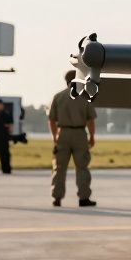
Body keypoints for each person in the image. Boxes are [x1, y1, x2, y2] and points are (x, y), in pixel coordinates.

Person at [49, 70, 97, 207]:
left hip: (63, 132)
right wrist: (92, 136)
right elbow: (90, 120)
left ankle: (57, 198)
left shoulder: (58, 96)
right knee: (82, 167)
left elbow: (51, 120)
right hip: (80, 134)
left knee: (59, 167)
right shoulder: (85, 97)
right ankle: (83, 198)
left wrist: (55, 137)